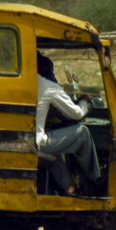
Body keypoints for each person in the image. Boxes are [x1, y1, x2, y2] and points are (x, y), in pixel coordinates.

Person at [36, 51, 101, 196]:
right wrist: (84, 101)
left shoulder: (16, 82)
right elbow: (76, 113)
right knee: (83, 133)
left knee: (52, 139)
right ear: (44, 69)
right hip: (36, 143)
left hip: (22, 139)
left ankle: (68, 187)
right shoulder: (47, 86)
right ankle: (95, 178)